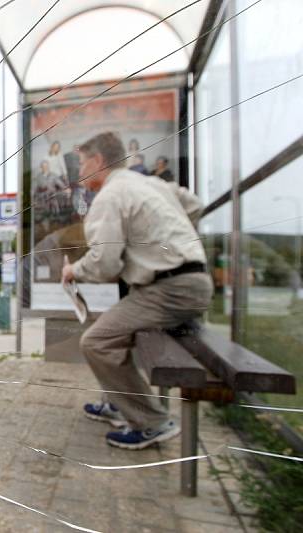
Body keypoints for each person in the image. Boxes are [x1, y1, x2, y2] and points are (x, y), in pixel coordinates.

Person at [61, 132, 212, 450]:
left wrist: (73, 270)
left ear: (98, 161)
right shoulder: (152, 183)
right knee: (112, 329)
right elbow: (194, 206)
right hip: (191, 282)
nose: (78, 172)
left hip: (170, 290)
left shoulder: (109, 196)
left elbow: (104, 264)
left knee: (96, 342)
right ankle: (118, 404)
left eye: (81, 163)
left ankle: (152, 422)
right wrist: (166, 243)